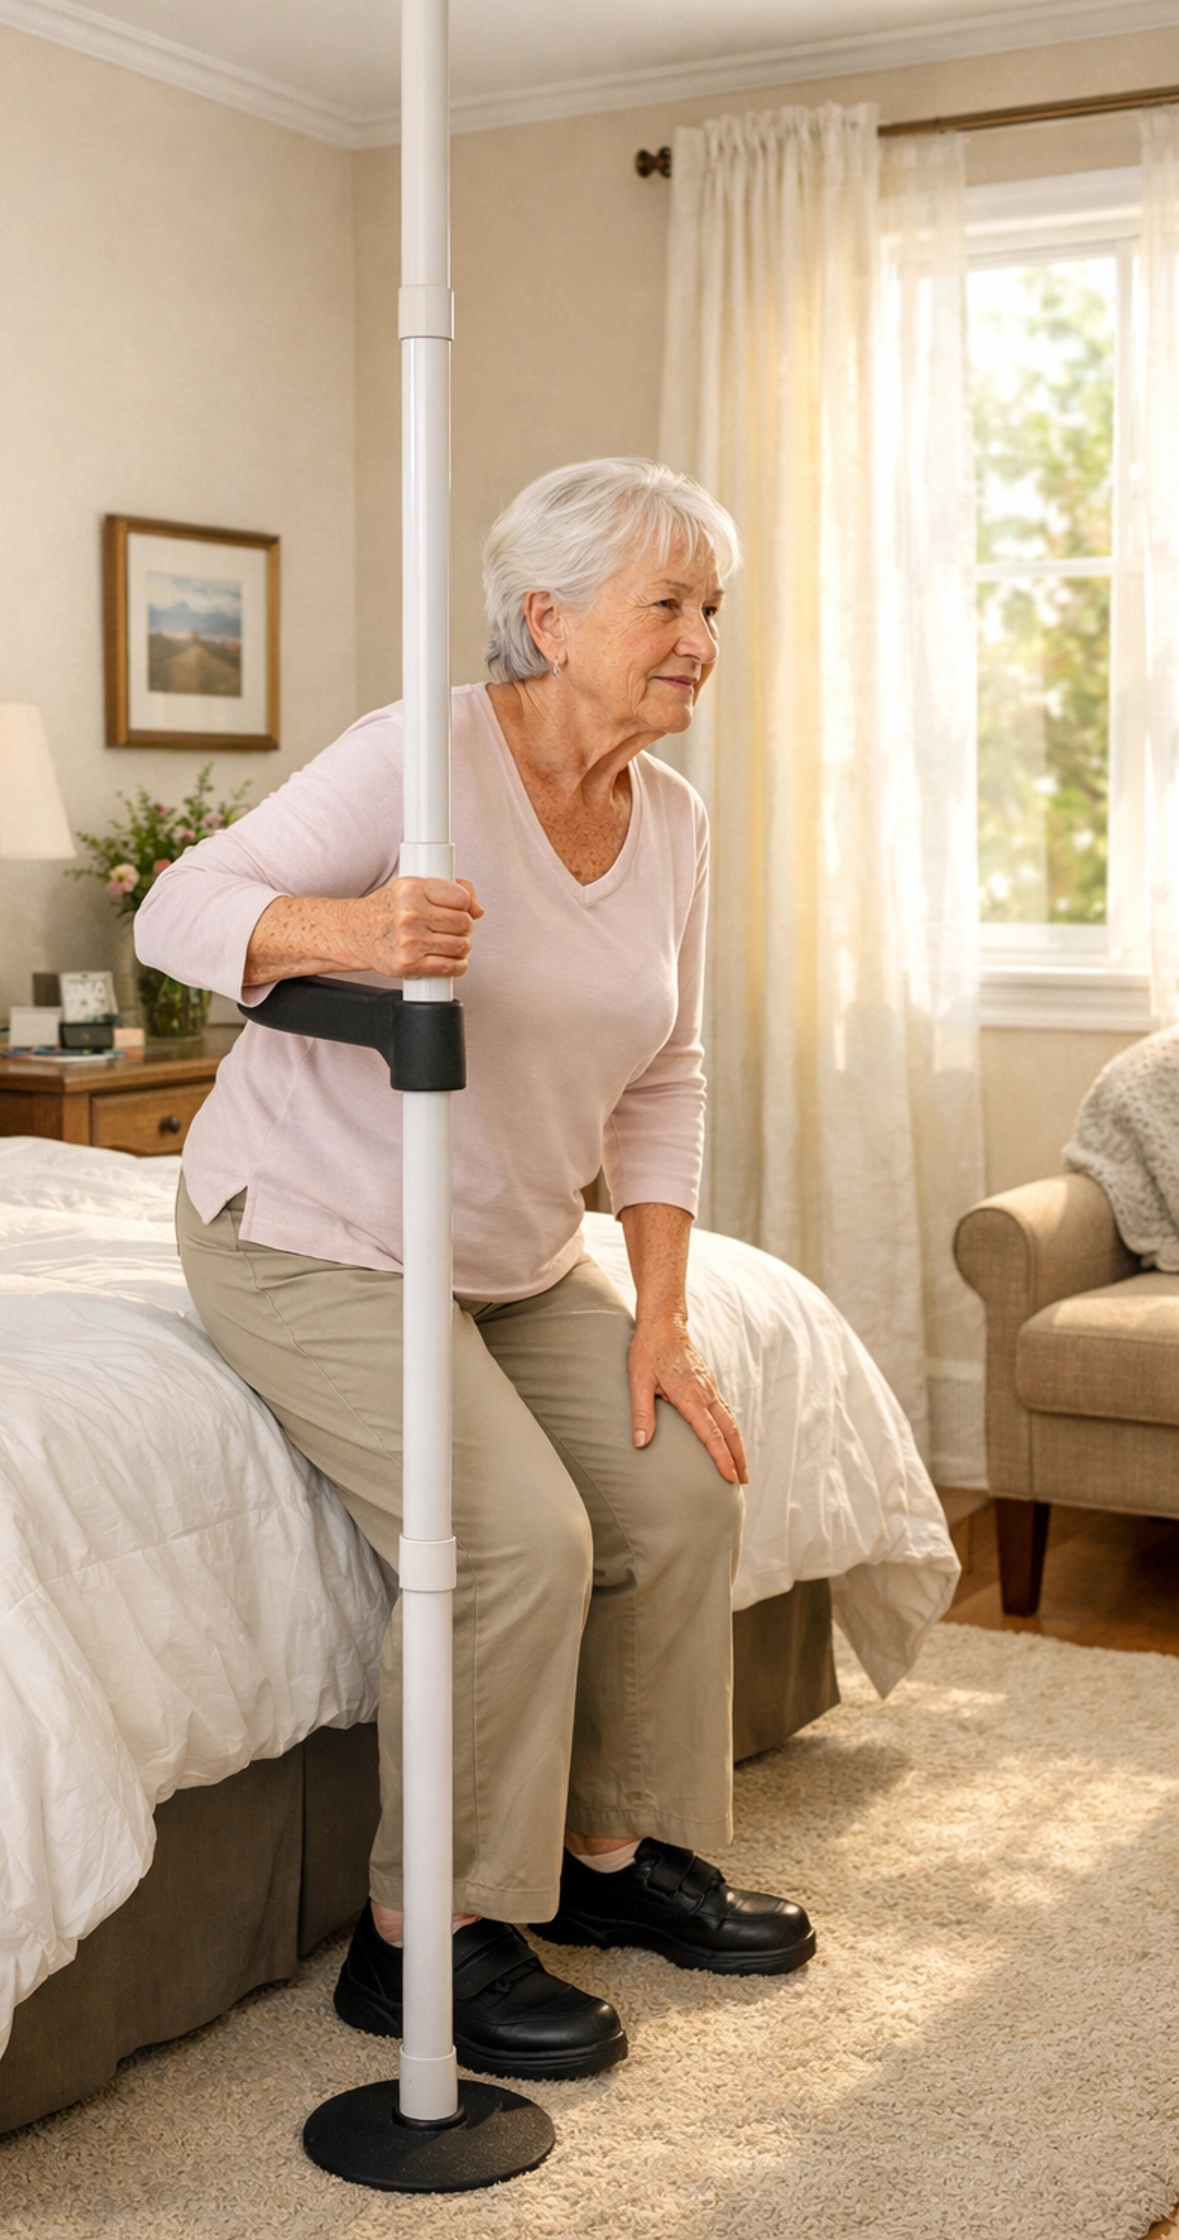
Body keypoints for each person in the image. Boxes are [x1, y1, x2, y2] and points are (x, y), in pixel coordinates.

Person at [138, 457, 813, 2084]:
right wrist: (353, 932)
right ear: (548, 617)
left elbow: (667, 1073)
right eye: (665, 605)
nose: (699, 640)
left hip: (510, 1250)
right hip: (317, 1233)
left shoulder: (672, 818)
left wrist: (662, 1315)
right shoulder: (422, 756)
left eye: (710, 609)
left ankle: (601, 1858)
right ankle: (419, 1937)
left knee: (677, 1490)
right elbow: (182, 908)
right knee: (516, 1538)